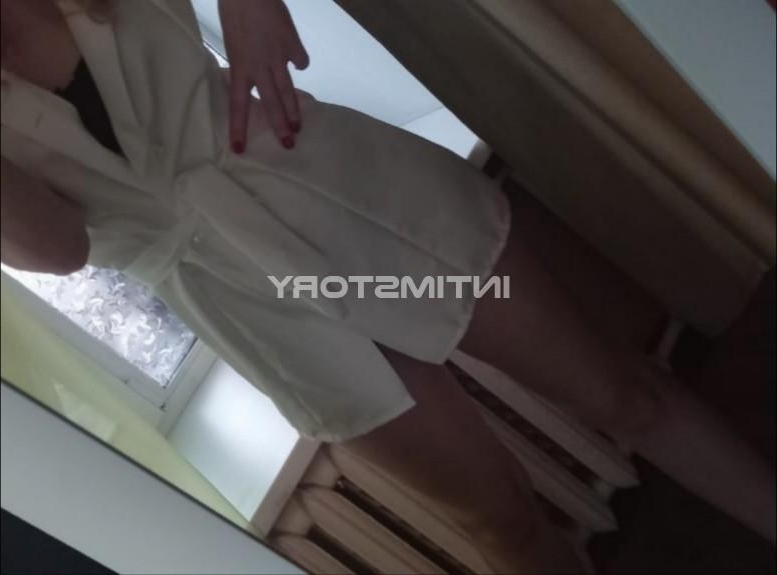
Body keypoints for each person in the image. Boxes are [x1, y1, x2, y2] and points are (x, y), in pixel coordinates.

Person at [1, 1, 773, 571]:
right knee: (502, 521)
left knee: (624, 395)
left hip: (344, 196)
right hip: (252, 307)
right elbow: (59, 247)